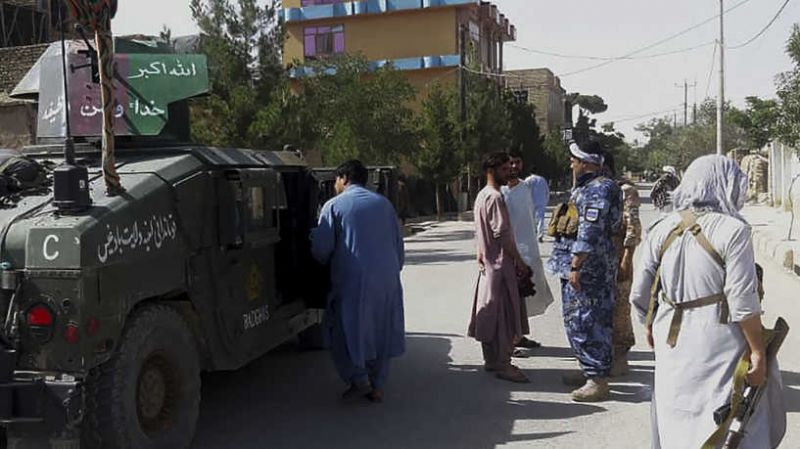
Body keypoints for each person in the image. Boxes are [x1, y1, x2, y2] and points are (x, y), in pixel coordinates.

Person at [630, 155, 786, 448]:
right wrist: (757, 352)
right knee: (728, 421)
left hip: (670, 341)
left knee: (675, 418)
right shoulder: (734, 230)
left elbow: (640, 293)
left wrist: (651, 325)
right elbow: (742, 301)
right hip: (719, 341)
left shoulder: (662, 228)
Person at [311, 160, 406, 403]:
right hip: (388, 279)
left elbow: (322, 250)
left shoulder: (334, 206)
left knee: (346, 330)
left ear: (343, 178)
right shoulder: (384, 204)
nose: (335, 185)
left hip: (354, 281)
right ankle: (378, 385)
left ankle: (359, 379)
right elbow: (398, 245)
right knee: (381, 328)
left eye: (335, 181)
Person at [547, 140, 621, 402]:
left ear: (587, 162)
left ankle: (597, 379)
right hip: (581, 267)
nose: (571, 163)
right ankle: (589, 369)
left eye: (574, 159)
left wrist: (576, 265)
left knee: (588, 320)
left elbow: (589, 230)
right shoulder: (588, 187)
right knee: (578, 319)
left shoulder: (598, 189)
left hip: (589, 270)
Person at [470, 152, 531, 383]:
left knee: (490, 314)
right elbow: (503, 235)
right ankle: (504, 364)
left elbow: (480, 231)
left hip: (488, 266)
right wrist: (520, 261)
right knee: (504, 317)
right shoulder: (495, 197)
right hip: (500, 266)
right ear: (492, 170)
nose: (510, 172)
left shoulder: (481, 196)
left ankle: (492, 360)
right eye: (504, 169)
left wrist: (479, 253)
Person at [501, 152, 555, 353]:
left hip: (528, 250)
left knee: (524, 297)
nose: (514, 166)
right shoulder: (498, 191)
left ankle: (518, 335)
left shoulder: (526, 188)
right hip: (507, 252)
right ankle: (507, 341)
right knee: (507, 298)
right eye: (510, 163)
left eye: (517, 162)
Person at [603, 153, 641, 376]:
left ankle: (620, 358)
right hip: (598, 262)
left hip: (618, 258)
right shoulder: (591, 189)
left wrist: (626, 258)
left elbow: (633, 227)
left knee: (619, 309)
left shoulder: (625, 191)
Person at [524, 171, 550, 242]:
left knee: (531, 219)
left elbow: (524, 190)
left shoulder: (528, 179)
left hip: (530, 201)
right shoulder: (542, 179)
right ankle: (540, 235)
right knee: (541, 219)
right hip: (541, 201)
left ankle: (533, 234)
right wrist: (546, 200)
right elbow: (547, 191)